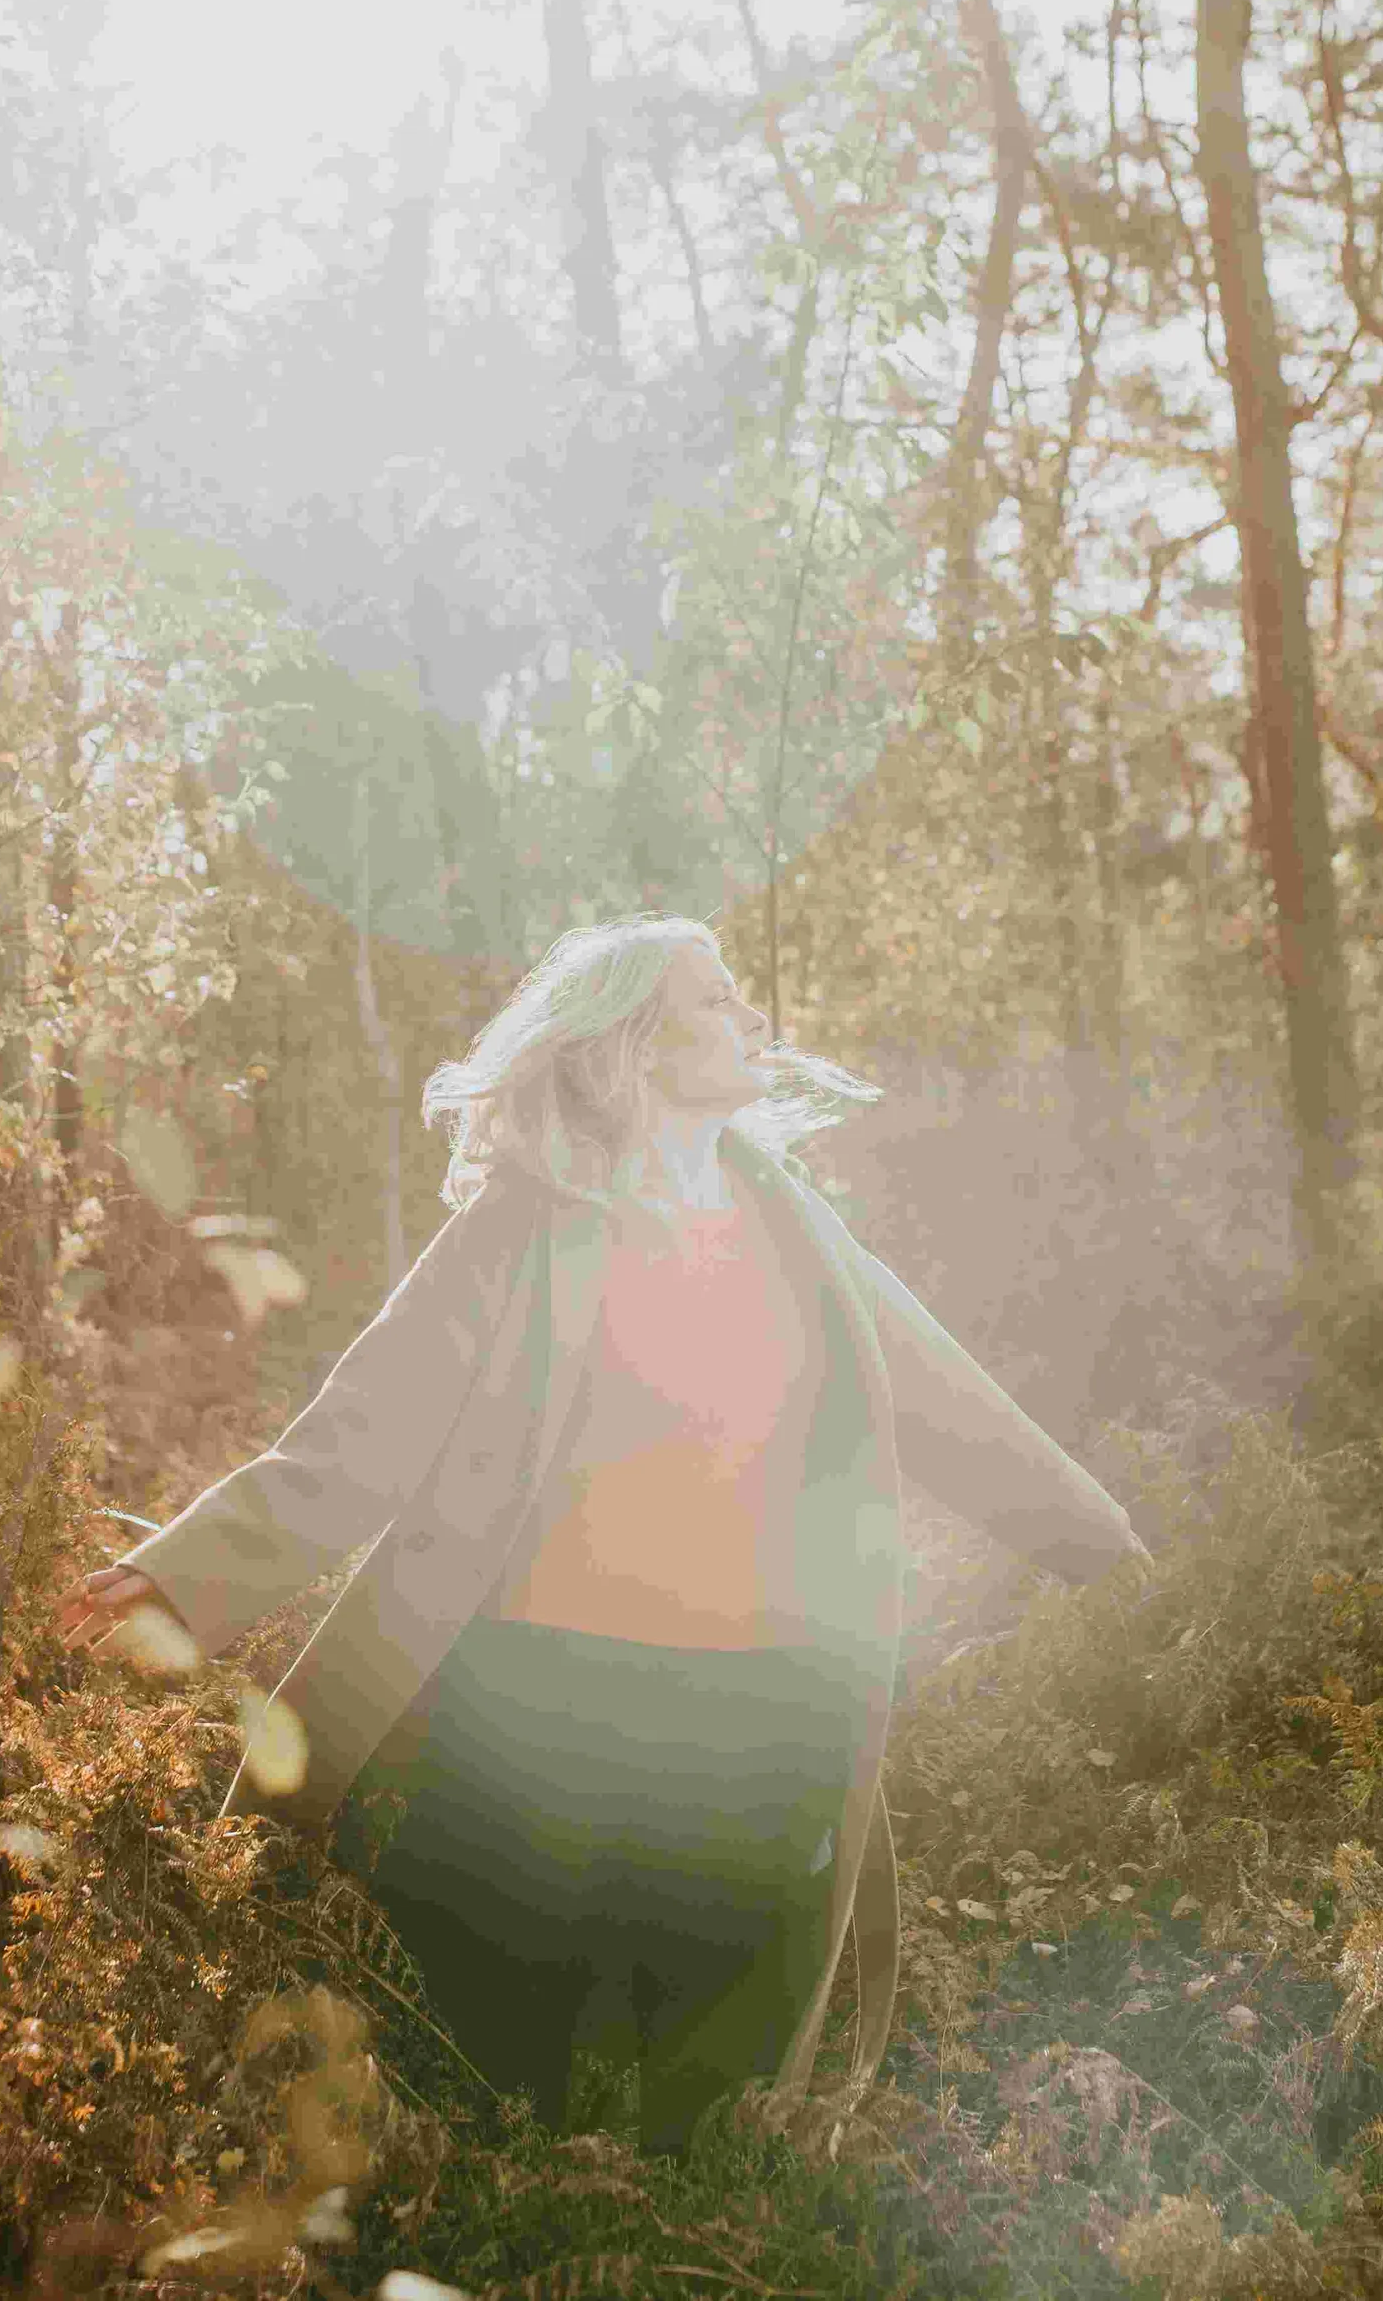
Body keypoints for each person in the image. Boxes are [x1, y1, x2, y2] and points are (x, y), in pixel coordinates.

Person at [56, 916, 1143, 2153]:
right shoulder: (524, 1227)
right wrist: (181, 1573)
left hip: (767, 1719)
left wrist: (1115, 1562)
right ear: (629, 1044)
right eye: (716, 1000)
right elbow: (361, 1431)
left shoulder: (799, 1234)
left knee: (716, 2097)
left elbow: (955, 1406)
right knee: (505, 2082)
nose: (749, 1018)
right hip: (537, 1722)